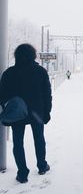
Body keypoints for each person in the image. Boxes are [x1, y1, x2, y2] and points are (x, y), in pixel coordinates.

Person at [0, 44, 52, 183]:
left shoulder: (9, 73)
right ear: (33, 55)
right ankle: (42, 166)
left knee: (18, 142)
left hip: (18, 113)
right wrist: (47, 112)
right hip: (37, 112)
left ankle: (22, 173)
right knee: (39, 139)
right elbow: (47, 94)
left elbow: (2, 95)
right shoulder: (40, 71)